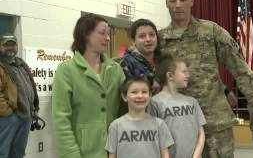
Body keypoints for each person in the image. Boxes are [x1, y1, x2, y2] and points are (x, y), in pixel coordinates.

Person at [159, 0, 253, 158]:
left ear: (191, 1)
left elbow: (240, 70)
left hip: (214, 122)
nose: (177, 5)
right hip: (177, 123)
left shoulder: (210, 31)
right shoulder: (160, 39)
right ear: (166, 3)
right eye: (172, 0)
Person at [52, 14, 125, 158]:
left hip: (115, 151)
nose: (108, 38)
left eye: (108, 34)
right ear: (86, 34)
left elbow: (126, 107)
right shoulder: (67, 70)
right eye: (102, 33)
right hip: (82, 152)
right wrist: (70, 154)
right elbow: (61, 119)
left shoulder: (116, 69)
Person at [148, 54, 206, 158]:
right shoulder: (155, 102)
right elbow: (153, 136)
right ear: (170, 76)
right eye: (184, 72)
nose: (188, 75)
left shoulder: (192, 102)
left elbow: (201, 133)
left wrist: (196, 156)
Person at [105, 76, 174, 158]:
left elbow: (165, 154)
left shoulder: (159, 124)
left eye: (144, 92)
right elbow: (112, 155)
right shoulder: (116, 126)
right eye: (134, 92)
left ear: (150, 95)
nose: (140, 96)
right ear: (124, 96)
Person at [0, 33, 39, 158]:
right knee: (3, 152)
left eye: (13, 44)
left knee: (18, 152)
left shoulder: (21, 64)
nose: (10, 48)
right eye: (6, 45)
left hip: (25, 116)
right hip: (8, 118)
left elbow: (30, 86)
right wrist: (8, 114)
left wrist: (33, 108)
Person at [117, 19, 162, 94]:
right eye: (142, 36)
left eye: (152, 35)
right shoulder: (126, 63)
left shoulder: (163, 61)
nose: (148, 39)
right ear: (133, 41)